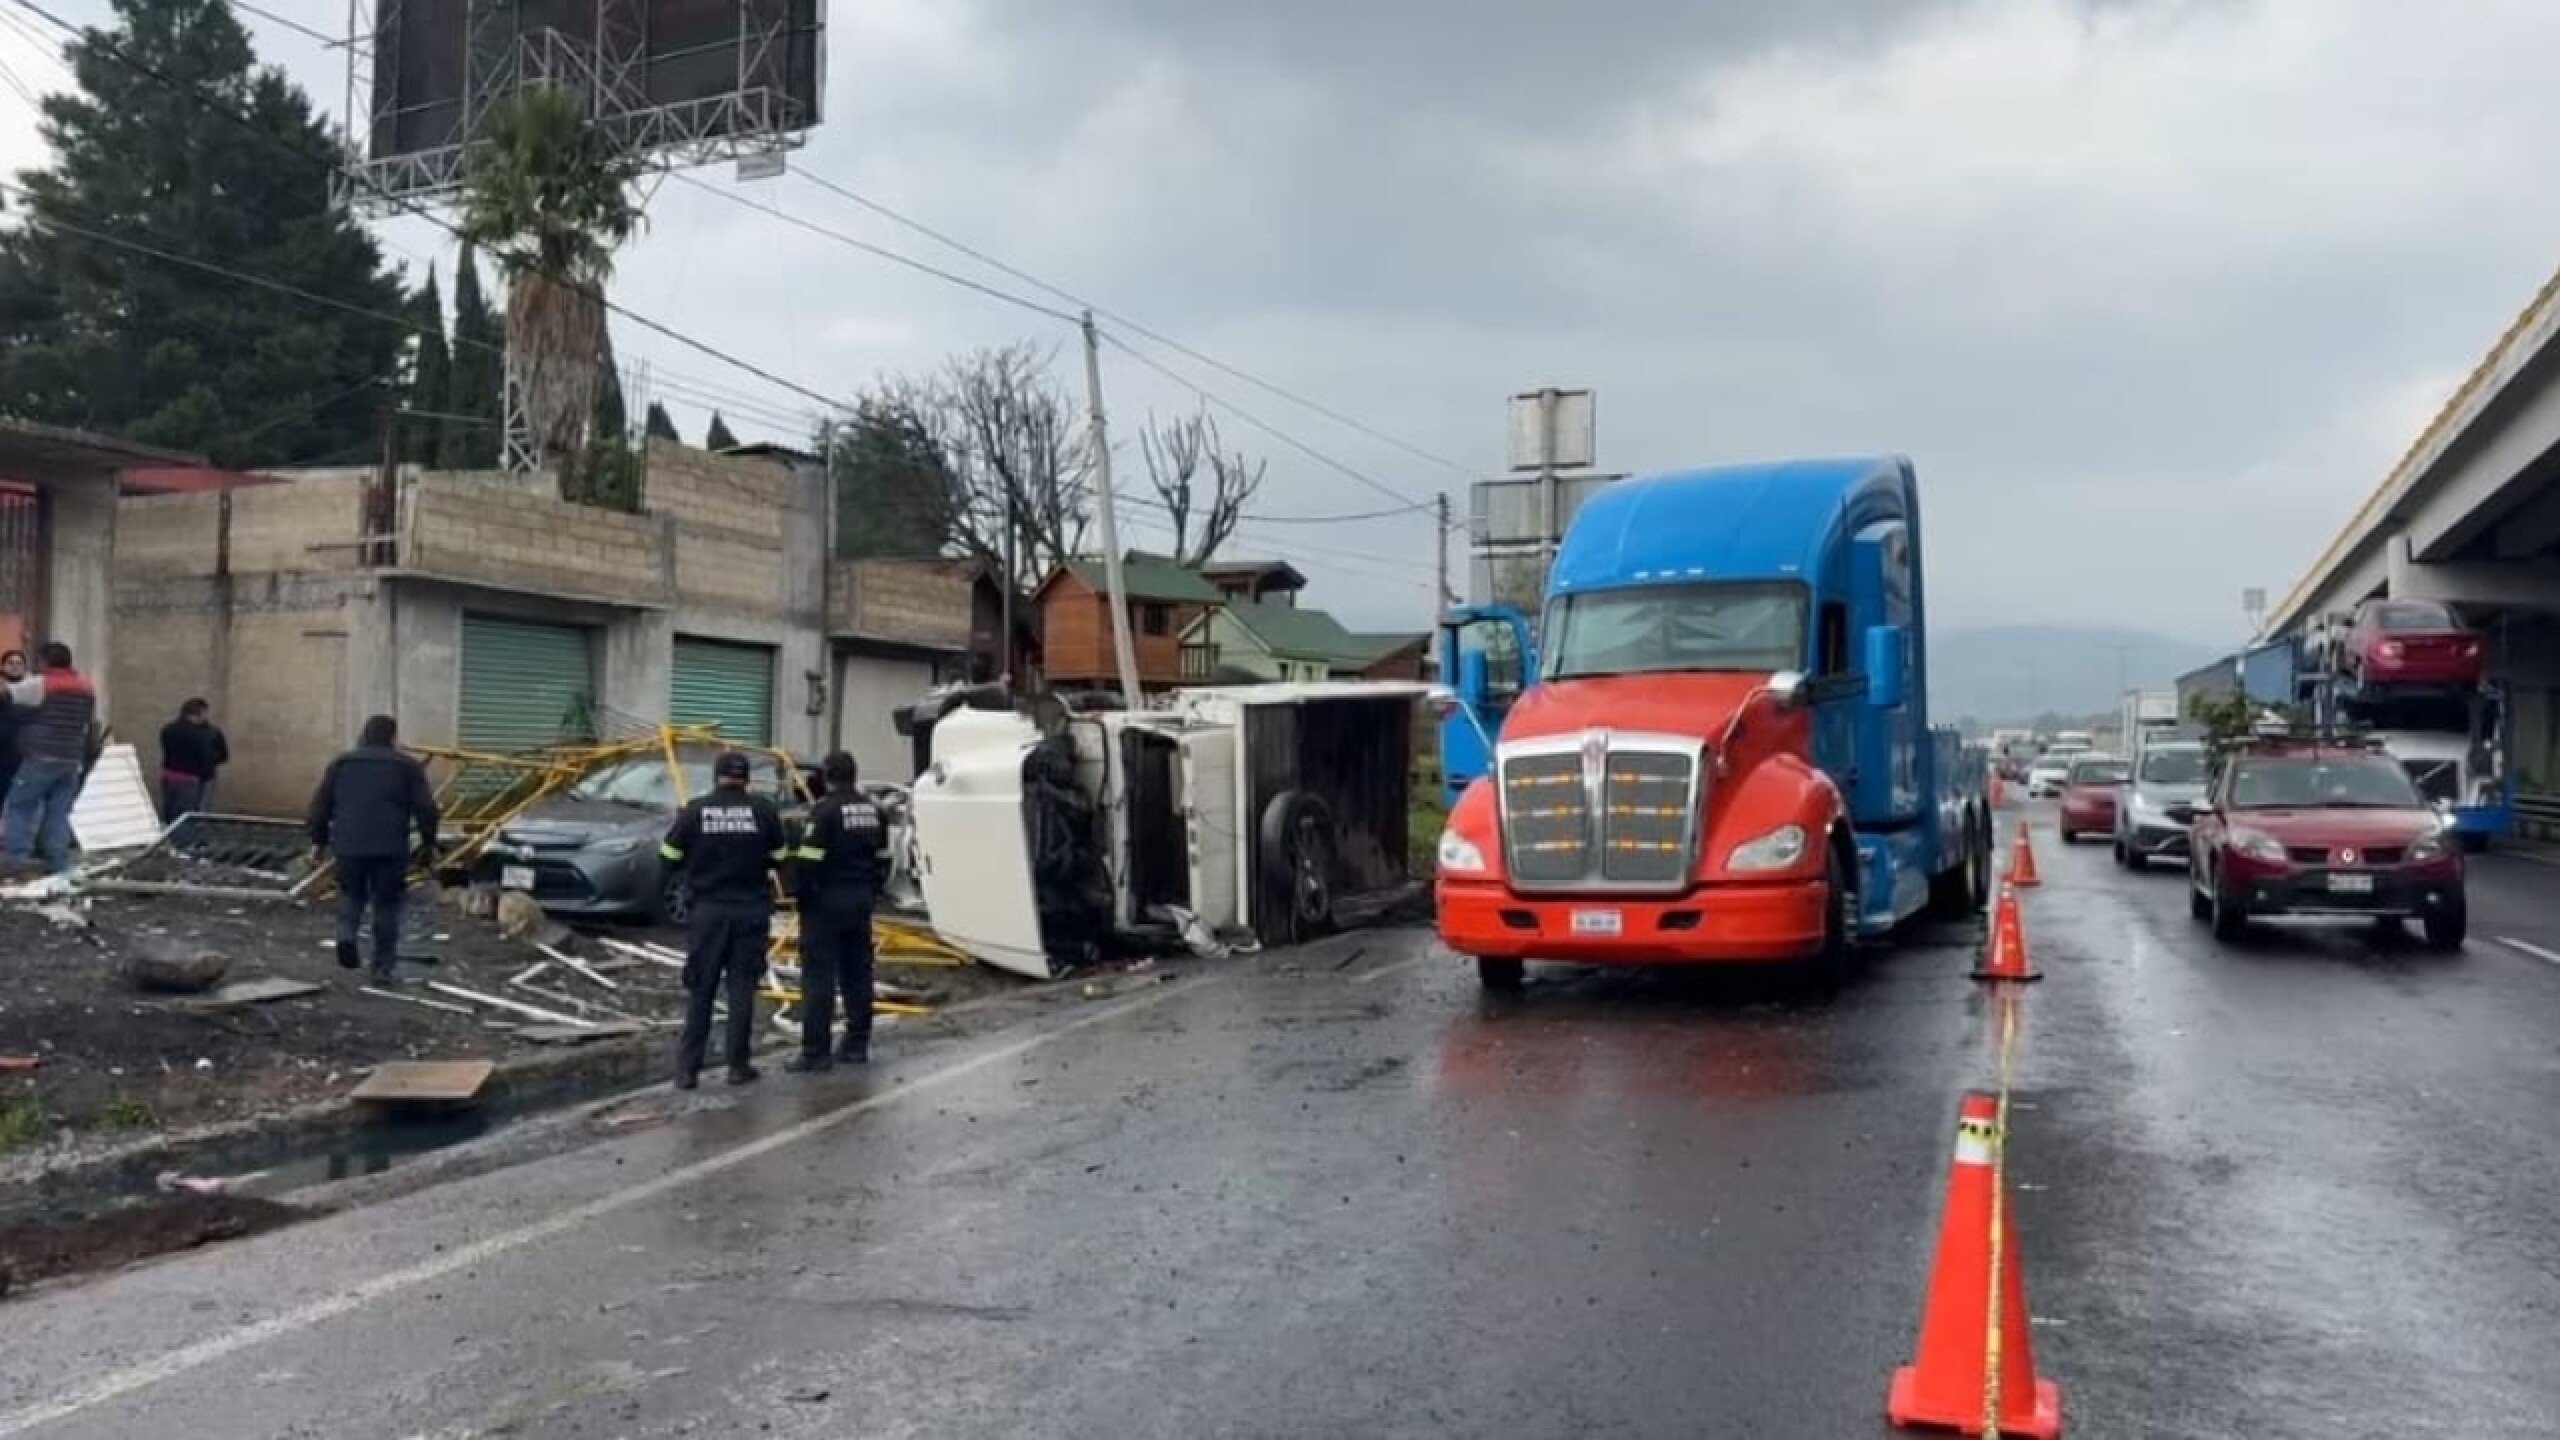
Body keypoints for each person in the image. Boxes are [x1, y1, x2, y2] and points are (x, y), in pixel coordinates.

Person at [660, 751, 787, 1090]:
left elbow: (668, 857)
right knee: (742, 989)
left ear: (716, 776)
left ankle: (688, 1071)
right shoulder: (763, 811)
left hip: (708, 912)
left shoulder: (695, 811)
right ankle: (738, 1065)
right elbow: (779, 858)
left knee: (701, 988)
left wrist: (692, 861)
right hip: (749, 910)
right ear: (746, 778)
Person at [307, 715, 440, 984]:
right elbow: (426, 808)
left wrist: (318, 842)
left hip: (348, 845)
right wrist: (429, 842)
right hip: (390, 846)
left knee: (352, 894)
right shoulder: (406, 766)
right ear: (393, 737)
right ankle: (382, 968)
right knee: (387, 904)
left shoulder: (341, 764)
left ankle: (345, 935)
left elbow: (320, 806)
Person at [786, 751, 887, 1072]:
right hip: (860, 901)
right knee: (858, 973)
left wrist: (801, 897)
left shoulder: (825, 812)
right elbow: (883, 858)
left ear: (827, 776)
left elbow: (808, 862)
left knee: (819, 978)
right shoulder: (873, 811)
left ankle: (816, 1052)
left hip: (826, 903)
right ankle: (856, 1044)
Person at [2, 643, 99, 876]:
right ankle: (58, 862)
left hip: (40, 758)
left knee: (19, 806)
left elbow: (7, 694)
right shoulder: (86, 688)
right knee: (58, 812)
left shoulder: (42, 684)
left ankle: (18, 860)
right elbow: (90, 724)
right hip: (70, 760)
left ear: (45, 661)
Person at [157, 697, 229, 820]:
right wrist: (209, 769)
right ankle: (189, 838)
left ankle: (170, 837)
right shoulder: (205, 734)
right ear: (201, 713)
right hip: (193, 779)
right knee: (191, 815)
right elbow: (214, 756)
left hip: (169, 776)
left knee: (170, 812)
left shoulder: (167, 729)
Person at [0, 650, 25, 828]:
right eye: (11, 663)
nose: (15, 666)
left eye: (19, 663)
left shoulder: (31, 689)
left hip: (22, 750)